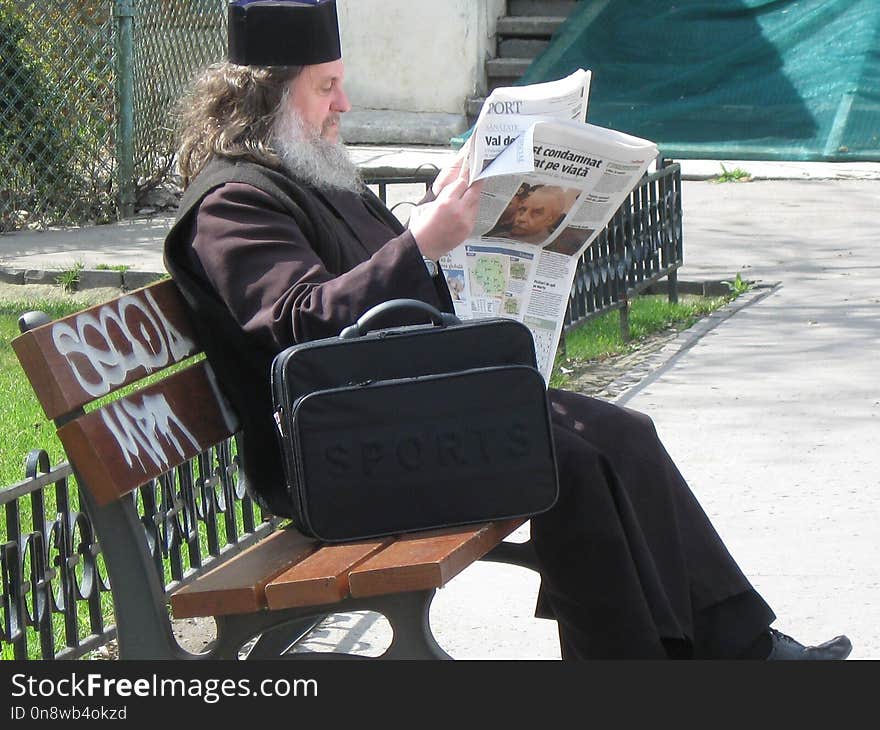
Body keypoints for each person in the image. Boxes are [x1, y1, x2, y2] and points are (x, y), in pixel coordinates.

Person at [163, 0, 852, 660]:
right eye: (327, 87)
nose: (343, 104)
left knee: (621, 436)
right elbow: (301, 323)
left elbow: (379, 279)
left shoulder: (305, 172)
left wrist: (455, 222)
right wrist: (421, 245)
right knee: (566, 464)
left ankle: (745, 650)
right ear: (268, 96)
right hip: (337, 460)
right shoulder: (234, 203)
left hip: (394, 421)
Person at [487, 185, 569, 244]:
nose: (521, 218)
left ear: (551, 220)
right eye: (522, 210)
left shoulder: (552, 248)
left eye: (536, 213)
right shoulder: (498, 237)